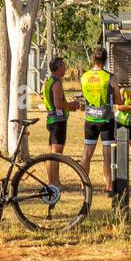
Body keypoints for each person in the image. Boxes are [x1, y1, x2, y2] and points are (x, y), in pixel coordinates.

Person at [78, 48, 117, 191]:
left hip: (90, 118)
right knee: (107, 153)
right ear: (106, 60)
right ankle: (109, 185)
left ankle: (84, 184)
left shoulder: (84, 77)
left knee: (87, 152)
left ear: (93, 59)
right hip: (106, 119)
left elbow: (84, 95)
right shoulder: (110, 77)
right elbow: (118, 99)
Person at [41, 56, 82, 188]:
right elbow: (58, 104)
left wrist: (68, 107)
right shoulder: (57, 83)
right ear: (58, 68)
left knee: (51, 154)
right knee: (56, 155)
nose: (65, 68)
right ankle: (55, 183)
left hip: (51, 119)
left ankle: (52, 181)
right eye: (63, 66)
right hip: (58, 122)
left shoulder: (48, 82)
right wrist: (72, 104)